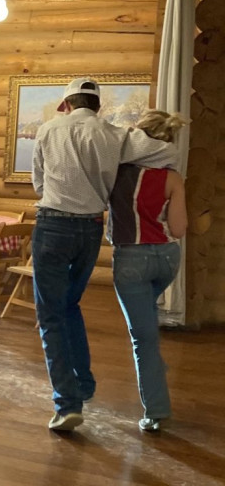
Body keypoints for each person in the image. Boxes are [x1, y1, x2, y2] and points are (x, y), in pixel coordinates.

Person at [31, 78, 178, 431]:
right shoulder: (114, 135)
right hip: (90, 230)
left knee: (50, 316)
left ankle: (68, 403)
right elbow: (167, 153)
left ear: (66, 103)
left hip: (52, 225)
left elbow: (38, 184)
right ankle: (82, 383)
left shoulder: (48, 130)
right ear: (97, 107)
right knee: (70, 306)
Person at [108, 110, 187, 432]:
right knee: (146, 324)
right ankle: (155, 367)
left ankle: (155, 412)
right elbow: (179, 229)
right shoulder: (173, 178)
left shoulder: (118, 172)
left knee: (144, 339)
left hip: (131, 260)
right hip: (167, 258)